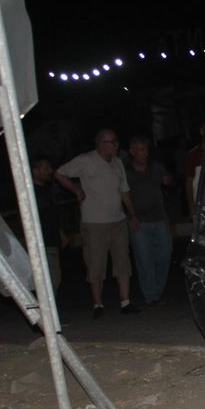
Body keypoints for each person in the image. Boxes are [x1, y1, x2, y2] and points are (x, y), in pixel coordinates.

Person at [54, 129, 141, 318]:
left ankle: (125, 301)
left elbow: (124, 190)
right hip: (94, 222)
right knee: (95, 263)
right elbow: (59, 173)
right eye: (110, 142)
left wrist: (132, 214)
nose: (114, 145)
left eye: (115, 141)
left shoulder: (118, 162)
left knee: (122, 261)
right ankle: (98, 304)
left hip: (118, 220)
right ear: (100, 144)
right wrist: (76, 189)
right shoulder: (86, 160)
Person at [125, 136, 173, 306]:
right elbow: (123, 194)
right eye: (140, 150)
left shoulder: (155, 166)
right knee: (144, 259)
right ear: (132, 152)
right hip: (139, 220)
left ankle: (158, 289)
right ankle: (151, 296)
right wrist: (132, 215)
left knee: (165, 254)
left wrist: (167, 180)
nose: (144, 153)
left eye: (145, 150)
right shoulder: (125, 170)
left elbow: (168, 179)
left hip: (159, 217)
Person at [31, 156, 67, 290]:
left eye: (50, 168)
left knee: (54, 278)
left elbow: (53, 214)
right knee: (50, 279)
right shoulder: (30, 192)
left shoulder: (47, 189)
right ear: (35, 171)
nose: (50, 171)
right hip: (41, 242)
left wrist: (61, 233)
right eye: (45, 168)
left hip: (52, 240)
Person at [183, 118, 205, 221]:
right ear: (201, 131)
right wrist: (192, 209)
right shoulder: (194, 155)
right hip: (201, 205)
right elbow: (189, 182)